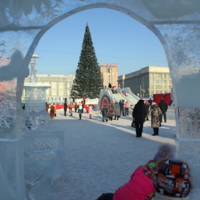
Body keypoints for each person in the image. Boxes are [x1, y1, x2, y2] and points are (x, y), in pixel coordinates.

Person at [96, 144, 175, 200]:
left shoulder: (142, 168)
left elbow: (132, 179)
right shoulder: (164, 181)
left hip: (118, 196)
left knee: (105, 196)